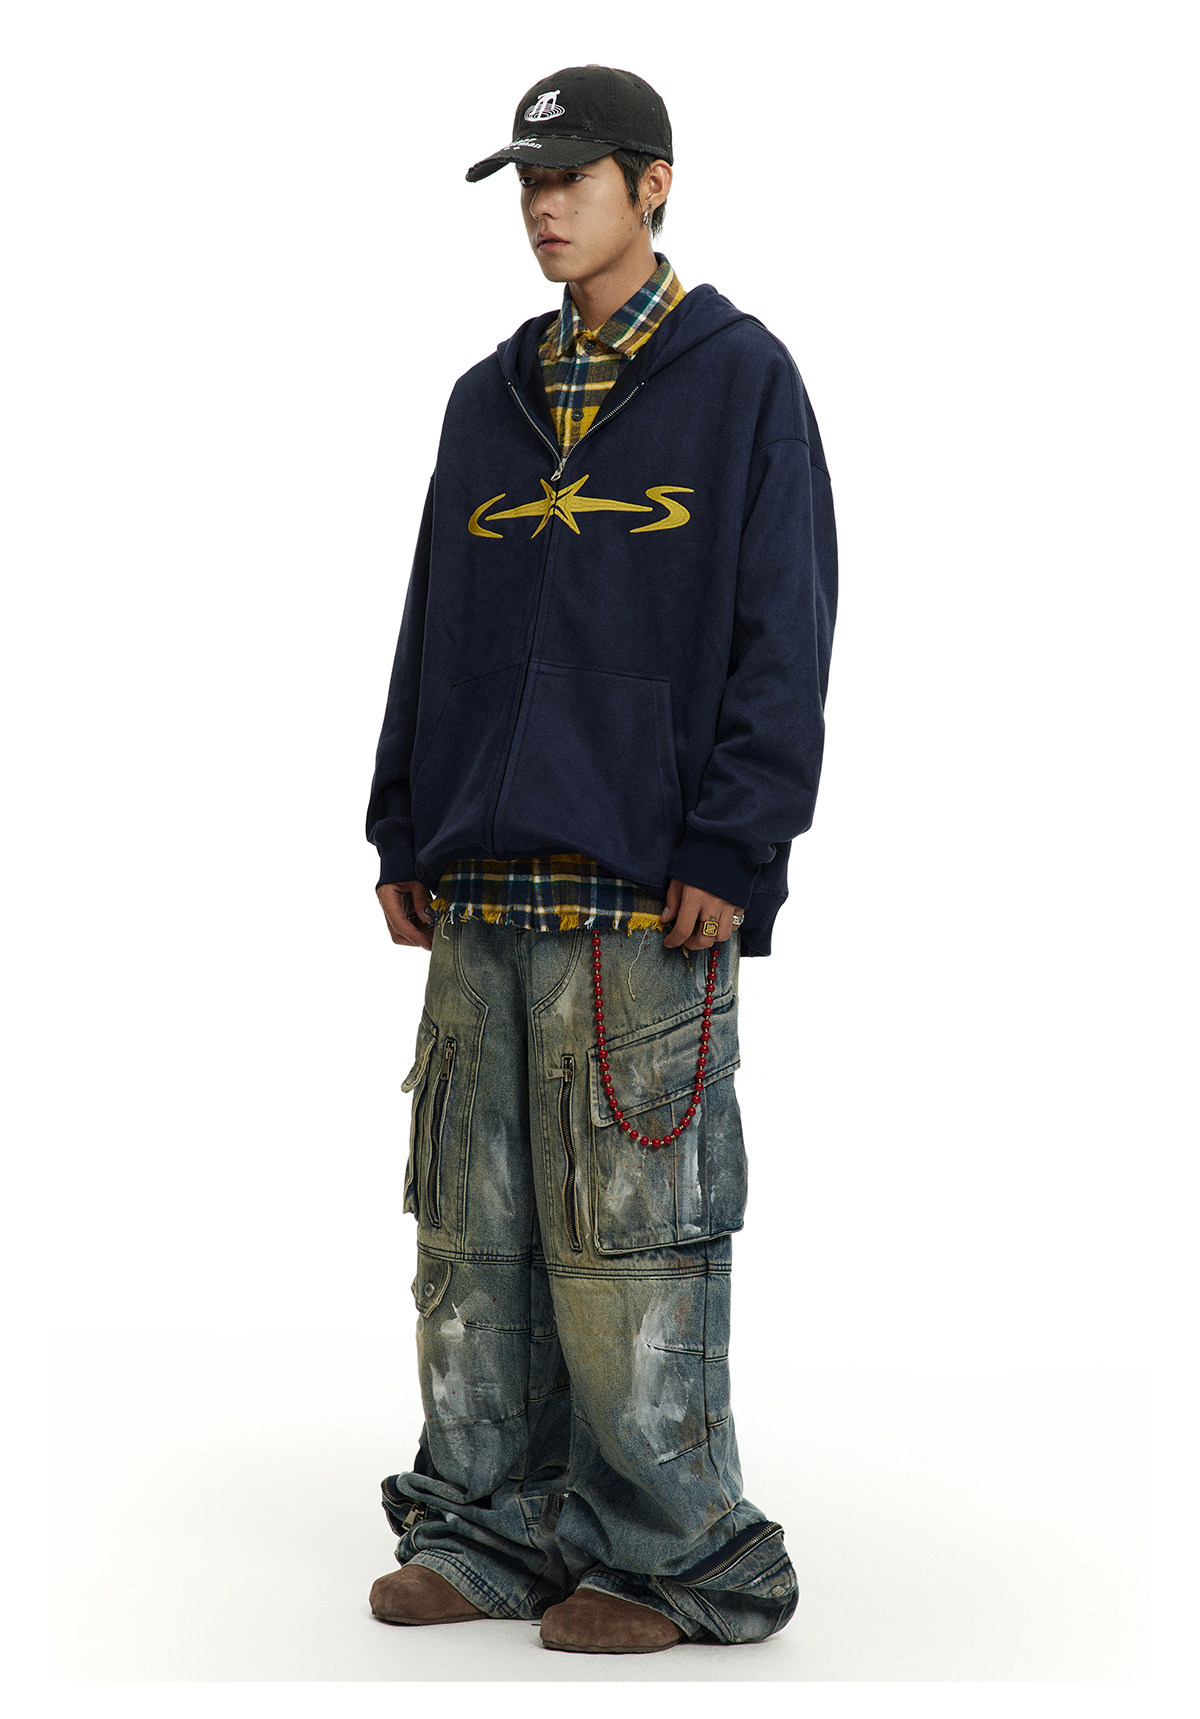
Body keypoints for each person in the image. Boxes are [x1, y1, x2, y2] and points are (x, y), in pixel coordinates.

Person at [364, 63, 838, 1655]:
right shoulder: (488, 396)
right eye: (528, 181)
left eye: (573, 177)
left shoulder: (740, 381)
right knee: (472, 1227)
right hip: (482, 883)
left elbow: (785, 631)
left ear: (655, 185)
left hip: (644, 894)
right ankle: (492, 1527)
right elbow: (433, 622)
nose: (545, 206)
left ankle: (678, 1556)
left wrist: (737, 840)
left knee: (632, 1236)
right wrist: (400, 817)